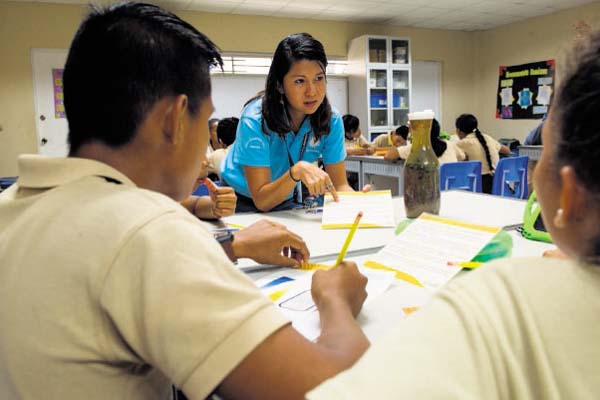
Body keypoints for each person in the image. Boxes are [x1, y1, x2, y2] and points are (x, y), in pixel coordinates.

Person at [0, 4, 370, 399]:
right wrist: (334, 299)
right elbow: (335, 389)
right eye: (205, 119)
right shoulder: (150, 236)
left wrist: (233, 246)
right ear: (176, 118)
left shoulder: (13, 203)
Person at [308, 30, 600, 400]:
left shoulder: (498, 301)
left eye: (545, 154)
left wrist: (334, 302)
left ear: (571, 197)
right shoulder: (477, 144)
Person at [221, 33, 368, 212]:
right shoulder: (255, 120)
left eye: (319, 78)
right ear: (279, 85)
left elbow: (340, 185)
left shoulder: (331, 120)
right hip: (238, 197)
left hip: (283, 195)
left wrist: (358, 202)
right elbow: (262, 200)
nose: (312, 91)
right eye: (300, 81)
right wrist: (296, 172)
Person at [454, 113, 511, 193]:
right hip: (499, 183)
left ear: (458, 130)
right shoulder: (486, 137)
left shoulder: (461, 143)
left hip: (479, 186)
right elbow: (507, 150)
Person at [383, 119, 465, 164]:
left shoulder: (417, 147)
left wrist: (395, 145)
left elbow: (388, 156)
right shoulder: (449, 144)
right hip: (452, 186)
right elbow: (462, 157)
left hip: (431, 188)